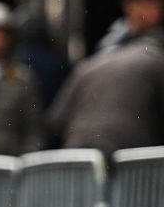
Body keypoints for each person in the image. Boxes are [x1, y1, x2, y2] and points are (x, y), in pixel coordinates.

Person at [46, 28, 164, 160]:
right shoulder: (157, 61)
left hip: (80, 156)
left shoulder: (88, 66)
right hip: (132, 158)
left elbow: (54, 122)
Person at [0, 2, 43, 155]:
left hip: (11, 163)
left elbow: (33, 128)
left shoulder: (22, 78)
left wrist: (28, 157)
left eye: (1, 33)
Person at [95, 0, 164, 53]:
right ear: (129, 6)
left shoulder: (160, 38)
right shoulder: (114, 38)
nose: (155, 11)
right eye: (148, 6)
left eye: (157, 6)